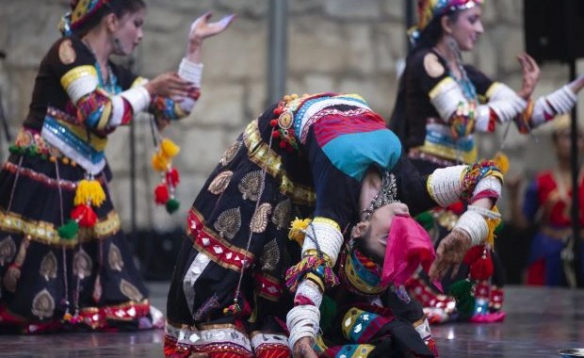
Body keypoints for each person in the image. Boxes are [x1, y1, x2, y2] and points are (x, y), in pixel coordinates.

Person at [164, 92, 504, 357]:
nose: (402, 220)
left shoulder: (352, 204)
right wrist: (465, 231)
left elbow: (317, 264)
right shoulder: (405, 190)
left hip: (325, 142)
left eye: (389, 237)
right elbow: (486, 173)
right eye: (397, 231)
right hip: (278, 140)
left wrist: (466, 230)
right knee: (252, 256)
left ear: (359, 228)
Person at [0, 0, 234, 333]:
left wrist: (193, 46)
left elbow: (176, 107)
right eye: (136, 23)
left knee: (116, 297)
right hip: (43, 177)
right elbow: (98, 115)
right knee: (28, 281)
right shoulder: (68, 52)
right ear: (112, 22)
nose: (140, 35)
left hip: (84, 178)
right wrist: (148, 89)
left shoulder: (113, 74)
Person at [389, 0, 584, 323]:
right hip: (426, 179)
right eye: (473, 20)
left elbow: (527, 116)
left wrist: (576, 86)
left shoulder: (465, 74)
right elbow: (463, 120)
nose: (480, 29)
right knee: (441, 244)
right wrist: (517, 102)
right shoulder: (427, 62)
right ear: (448, 24)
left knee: (477, 244)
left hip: (457, 177)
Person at [508, 115, 584, 287]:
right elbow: (522, 224)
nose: (573, 142)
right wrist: (513, 195)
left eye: (578, 137)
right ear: (555, 143)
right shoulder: (541, 181)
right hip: (548, 251)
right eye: (566, 136)